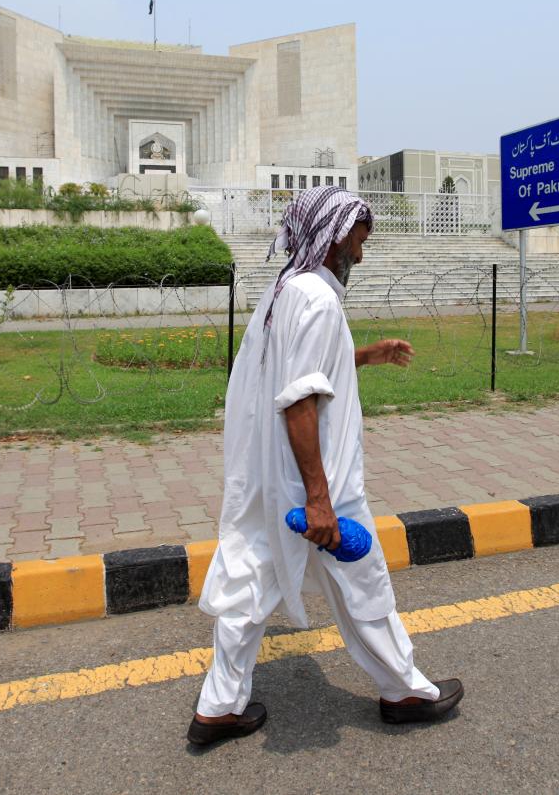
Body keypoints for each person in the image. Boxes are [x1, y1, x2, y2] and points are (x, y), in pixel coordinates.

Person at [187, 185, 463, 746]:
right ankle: (404, 691)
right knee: (364, 583)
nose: (361, 254)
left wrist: (364, 355)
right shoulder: (316, 296)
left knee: (251, 580)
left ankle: (218, 706)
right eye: (359, 240)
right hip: (318, 479)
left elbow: (295, 367)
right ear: (335, 233)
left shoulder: (283, 290)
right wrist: (319, 496)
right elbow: (298, 397)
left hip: (270, 475)